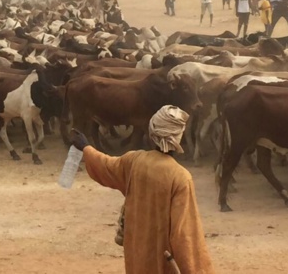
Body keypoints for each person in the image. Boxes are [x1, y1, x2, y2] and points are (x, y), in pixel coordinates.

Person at [70, 106, 215, 274]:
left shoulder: (135, 161)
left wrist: (86, 147)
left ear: (152, 134)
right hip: (163, 262)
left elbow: (105, 165)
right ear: (178, 139)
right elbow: (185, 236)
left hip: (136, 257)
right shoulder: (180, 177)